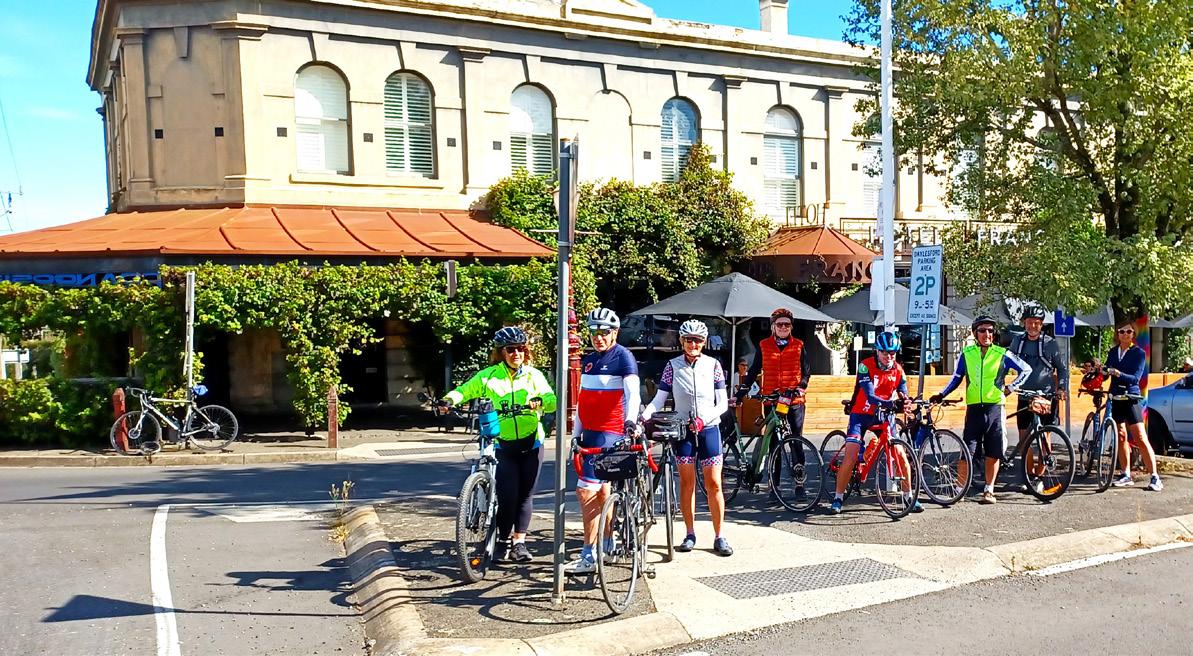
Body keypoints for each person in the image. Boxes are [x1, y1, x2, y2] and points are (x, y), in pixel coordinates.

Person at [437, 327, 557, 563]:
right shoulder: (489, 376)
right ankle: (502, 540)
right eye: (510, 349)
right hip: (503, 444)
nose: (516, 353)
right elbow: (464, 391)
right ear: (501, 352)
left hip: (532, 441)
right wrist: (448, 400)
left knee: (525, 495)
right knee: (507, 494)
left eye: (521, 349)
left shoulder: (534, 376)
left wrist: (540, 400)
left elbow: (552, 400)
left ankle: (519, 543)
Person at [641, 320, 733, 556]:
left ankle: (720, 535)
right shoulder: (672, 366)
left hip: (708, 428)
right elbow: (659, 399)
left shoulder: (713, 365)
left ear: (704, 342)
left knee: (714, 484)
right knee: (686, 483)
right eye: (689, 340)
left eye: (698, 340)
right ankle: (689, 533)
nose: (693, 344)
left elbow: (722, 403)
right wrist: (644, 416)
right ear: (681, 341)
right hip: (682, 431)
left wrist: (704, 419)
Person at [565, 307, 641, 574]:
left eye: (604, 332)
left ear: (615, 333)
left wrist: (630, 421)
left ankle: (588, 554)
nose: (599, 337)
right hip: (589, 433)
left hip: (611, 432)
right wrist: (575, 435)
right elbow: (582, 402)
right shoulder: (588, 361)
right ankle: (606, 544)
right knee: (601, 491)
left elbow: (633, 394)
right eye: (594, 332)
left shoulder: (623, 357)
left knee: (585, 491)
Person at [930, 315, 1031, 505]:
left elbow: (1026, 370)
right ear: (975, 333)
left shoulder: (1002, 353)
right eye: (982, 330)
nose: (987, 334)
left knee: (993, 451)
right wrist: (941, 394)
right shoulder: (967, 354)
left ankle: (989, 490)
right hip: (974, 409)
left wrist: (1011, 388)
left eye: (990, 331)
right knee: (967, 452)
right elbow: (957, 378)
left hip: (995, 408)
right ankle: (958, 490)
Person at [830, 331, 920, 514]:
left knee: (900, 454)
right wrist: (891, 403)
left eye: (892, 353)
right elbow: (870, 396)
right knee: (851, 456)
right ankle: (838, 497)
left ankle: (909, 495)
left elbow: (903, 392)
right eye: (884, 352)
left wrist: (906, 401)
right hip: (860, 415)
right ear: (877, 351)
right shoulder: (865, 366)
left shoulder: (898, 370)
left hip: (884, 415)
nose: (889, 356)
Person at [732, 308, 810, 501]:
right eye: (779, 324)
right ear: (773, 326)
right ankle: (774, 486)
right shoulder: (764, 345)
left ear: (791, 327)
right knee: (774, 443)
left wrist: (800, 387)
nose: (783, 327)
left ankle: (799, 484)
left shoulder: (799, 345)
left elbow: (806, 371)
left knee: (796, 441)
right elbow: (753, 372)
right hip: (772, 400)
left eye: (787, 324)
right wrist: (740, 394)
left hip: (794, 401)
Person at [1008, 304, 1069, 494]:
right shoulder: (1017, 342)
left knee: (1045, 436)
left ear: (1041, 324)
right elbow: (1005, 363)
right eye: (1029, 322)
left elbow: (1062, 368)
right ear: (1024, 323)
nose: (1032, 326)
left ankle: (1039, 477)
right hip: (1025, 395)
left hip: (1046, 396)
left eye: (1036, 323)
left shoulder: (1050, 343)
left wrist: (1061, 388)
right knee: (1024, 438)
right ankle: (1028, 476)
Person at [1106, 321, 1162, 491]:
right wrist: (1098, 371)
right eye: (1122, 331)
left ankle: (1155, 476)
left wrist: (1118, 373)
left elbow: (1135, 378)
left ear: (1133, 335)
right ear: (1117, 334)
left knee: (1140, 437)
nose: (1125, 334)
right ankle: (1126, 474)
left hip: (1131, 398)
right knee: (1121, 436)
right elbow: (1107, 371)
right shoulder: (1113, 352)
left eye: (1129, 332)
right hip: (1116, 397)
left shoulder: (1138, 353)